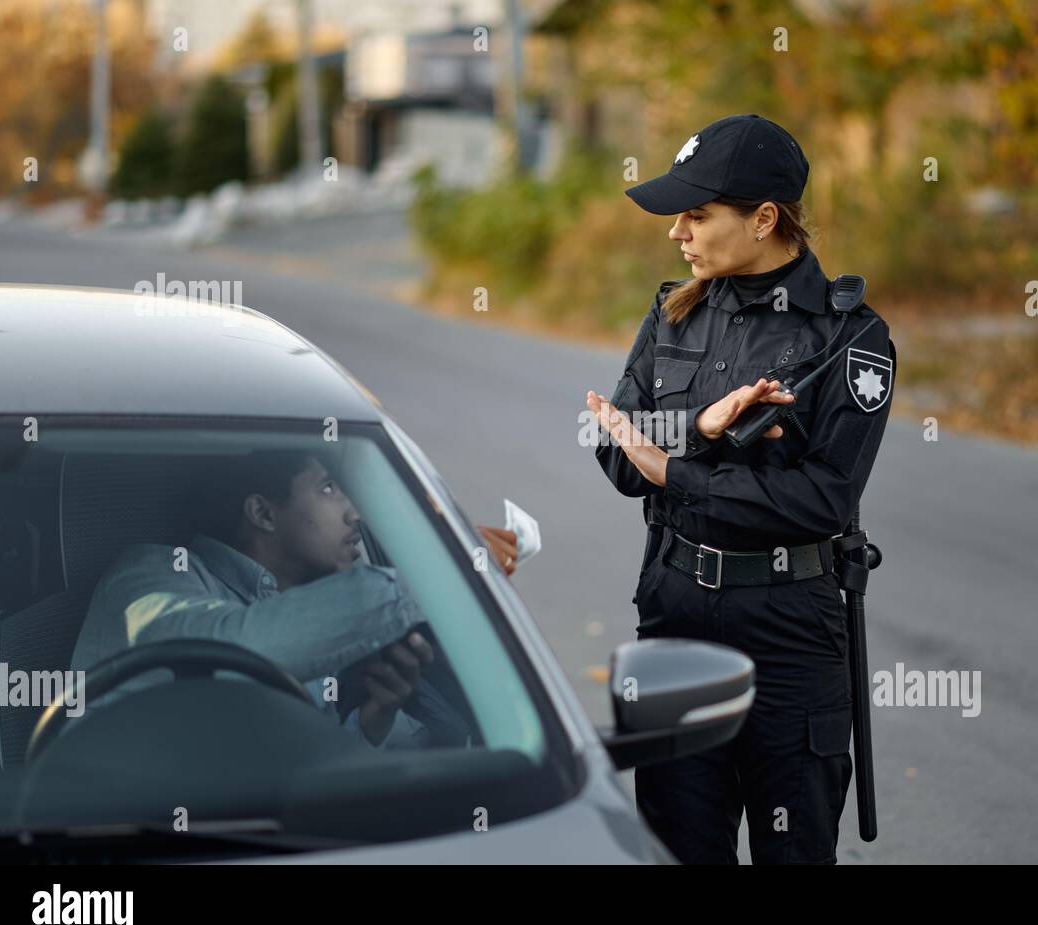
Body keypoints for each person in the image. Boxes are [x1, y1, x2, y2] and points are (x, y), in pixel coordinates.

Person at [586, 113, 896, 864]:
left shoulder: (849, 340)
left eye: (696, 215)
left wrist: (677, 469)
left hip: (791, 636)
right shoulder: (672, 314)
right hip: (677, 619)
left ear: (764, 220)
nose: (677, 233)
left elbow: (824, 499)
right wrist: (701, 430)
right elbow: (616, 450)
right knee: (678, 848)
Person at [72, 450, 513, 749]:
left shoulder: (311, 598)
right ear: (263, 513)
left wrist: (370, 722)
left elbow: (293, 769)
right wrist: (441, 574)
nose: (354, 512)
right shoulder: (148, 575)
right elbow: (226, 652)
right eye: (327, 489)